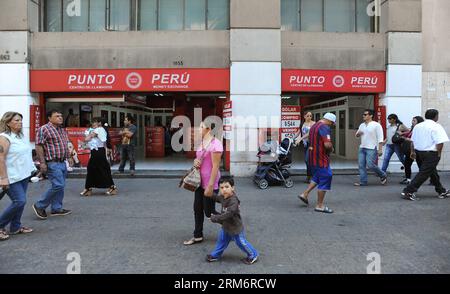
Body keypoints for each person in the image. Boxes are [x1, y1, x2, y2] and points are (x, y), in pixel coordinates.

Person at [183, 121, 223, 246]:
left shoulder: (216, 144)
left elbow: (216, 166)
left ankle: (232, 223)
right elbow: (199, 158)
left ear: (208, 129)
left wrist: (210, 186)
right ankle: (197, 235)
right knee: (197, 209)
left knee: (209, 213)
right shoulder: (201, 143)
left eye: (200, 127)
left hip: (210, 181)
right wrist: (195, 161)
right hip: (199, 181)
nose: (198, 129)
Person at [204, 176, 259, 264]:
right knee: (221, 241)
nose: (224, 190)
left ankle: (253, 254)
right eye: (221, 187)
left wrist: (215, 218)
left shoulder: (234, 201)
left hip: (235, 228)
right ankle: (215, 255)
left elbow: (228, 214)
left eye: (227, 187)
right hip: (226, 227)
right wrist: (209, 193)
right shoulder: (223, 197)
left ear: (232, 188)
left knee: (241, 243)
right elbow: (217, 198)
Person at [0, 112, 37, 241]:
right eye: (16, 120)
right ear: (8, 122)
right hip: (11, 176)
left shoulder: (19, 136)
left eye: (21, 120)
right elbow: (1, 157)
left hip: (23, 175)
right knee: (19, 201)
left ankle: (15, 227)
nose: (20, 122)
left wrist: (32, 169)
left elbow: (24, 155)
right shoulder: (4, 137)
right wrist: (3, 178)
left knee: (20, 203)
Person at [401, 109, 450, 201]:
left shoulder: (418, 126)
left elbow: (413, 141)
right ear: (436, 116)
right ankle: (409, 191)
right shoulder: (436, 126)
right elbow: (440, 142)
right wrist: (439, 153)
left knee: (432, 172)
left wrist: (412, 152)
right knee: (424, 173)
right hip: (431, 153)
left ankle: (441, 191)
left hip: (419, 153)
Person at [32, 109, 72, 220]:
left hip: (62, 161)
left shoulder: (62, 130)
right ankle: (39, 205)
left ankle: (56, 208)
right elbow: (39, 146)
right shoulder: (44, 129)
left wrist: (69, 157)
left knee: (60, 186)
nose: (60, 117)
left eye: (61, 115)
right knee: (58, 185)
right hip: (52, 162)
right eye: (57, 116)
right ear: (49, 118)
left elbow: (64, 144)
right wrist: (42, 163)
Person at [297, 113, 336, 213]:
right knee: (327, 176)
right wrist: (332, 148)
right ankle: (319, 205)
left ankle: (304, 194)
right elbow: (327, 145)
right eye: (332, 123)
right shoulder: (324, 127)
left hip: (312, 157)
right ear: (329, 121)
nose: (331, 125)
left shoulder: (314, 126)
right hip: (321, 158)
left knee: (317, 176)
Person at [80, 117, 117, 197]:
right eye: (92, 122)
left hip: (98, 152)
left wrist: (90, 135)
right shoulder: (98, 130)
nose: (93, 124)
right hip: (96, 152)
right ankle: (88, 188)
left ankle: (111, 187)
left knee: (102, 169)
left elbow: (87, 139)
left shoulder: (99, 130)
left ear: (100, 123)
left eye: (95, 122)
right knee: (93, 169)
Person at [354, 109, 387, 186]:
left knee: (370, 165)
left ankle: (382, 175)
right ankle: (363, 182)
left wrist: (380, 149)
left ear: (371, 115)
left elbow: (380, 138)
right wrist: (358, 134)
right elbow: (357, 135)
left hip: (372, 148)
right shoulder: (362, 125)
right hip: (362, 147)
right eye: (363, 114)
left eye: (365, 114)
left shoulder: (376, 125)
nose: (363, 116)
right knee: (361, 165)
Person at [399, 116, 424, 184]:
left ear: (419, 122)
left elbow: (416, 139)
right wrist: (403, 134)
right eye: (412, 120)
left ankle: (431, 180)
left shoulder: (420, 130)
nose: (412, 122)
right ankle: (408, 179)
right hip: (410, 150)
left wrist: (406, 139)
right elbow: (409, 133)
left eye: (414, 121)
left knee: (421, 165)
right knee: (407, 164)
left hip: (417, 150)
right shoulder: (413, 129)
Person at [295, 112, 315, 183]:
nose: (309, 117)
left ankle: (311, 176)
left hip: (311, 144)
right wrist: (293, 138)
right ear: (304, 116)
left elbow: (309, 133)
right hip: (305, 144)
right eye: (308, 116)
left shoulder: (313, 123)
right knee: (307, 161)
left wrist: (300, 138)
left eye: (310, 116)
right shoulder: (302, 123)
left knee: (307, 160)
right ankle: (309, 176)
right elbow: (299, 131)